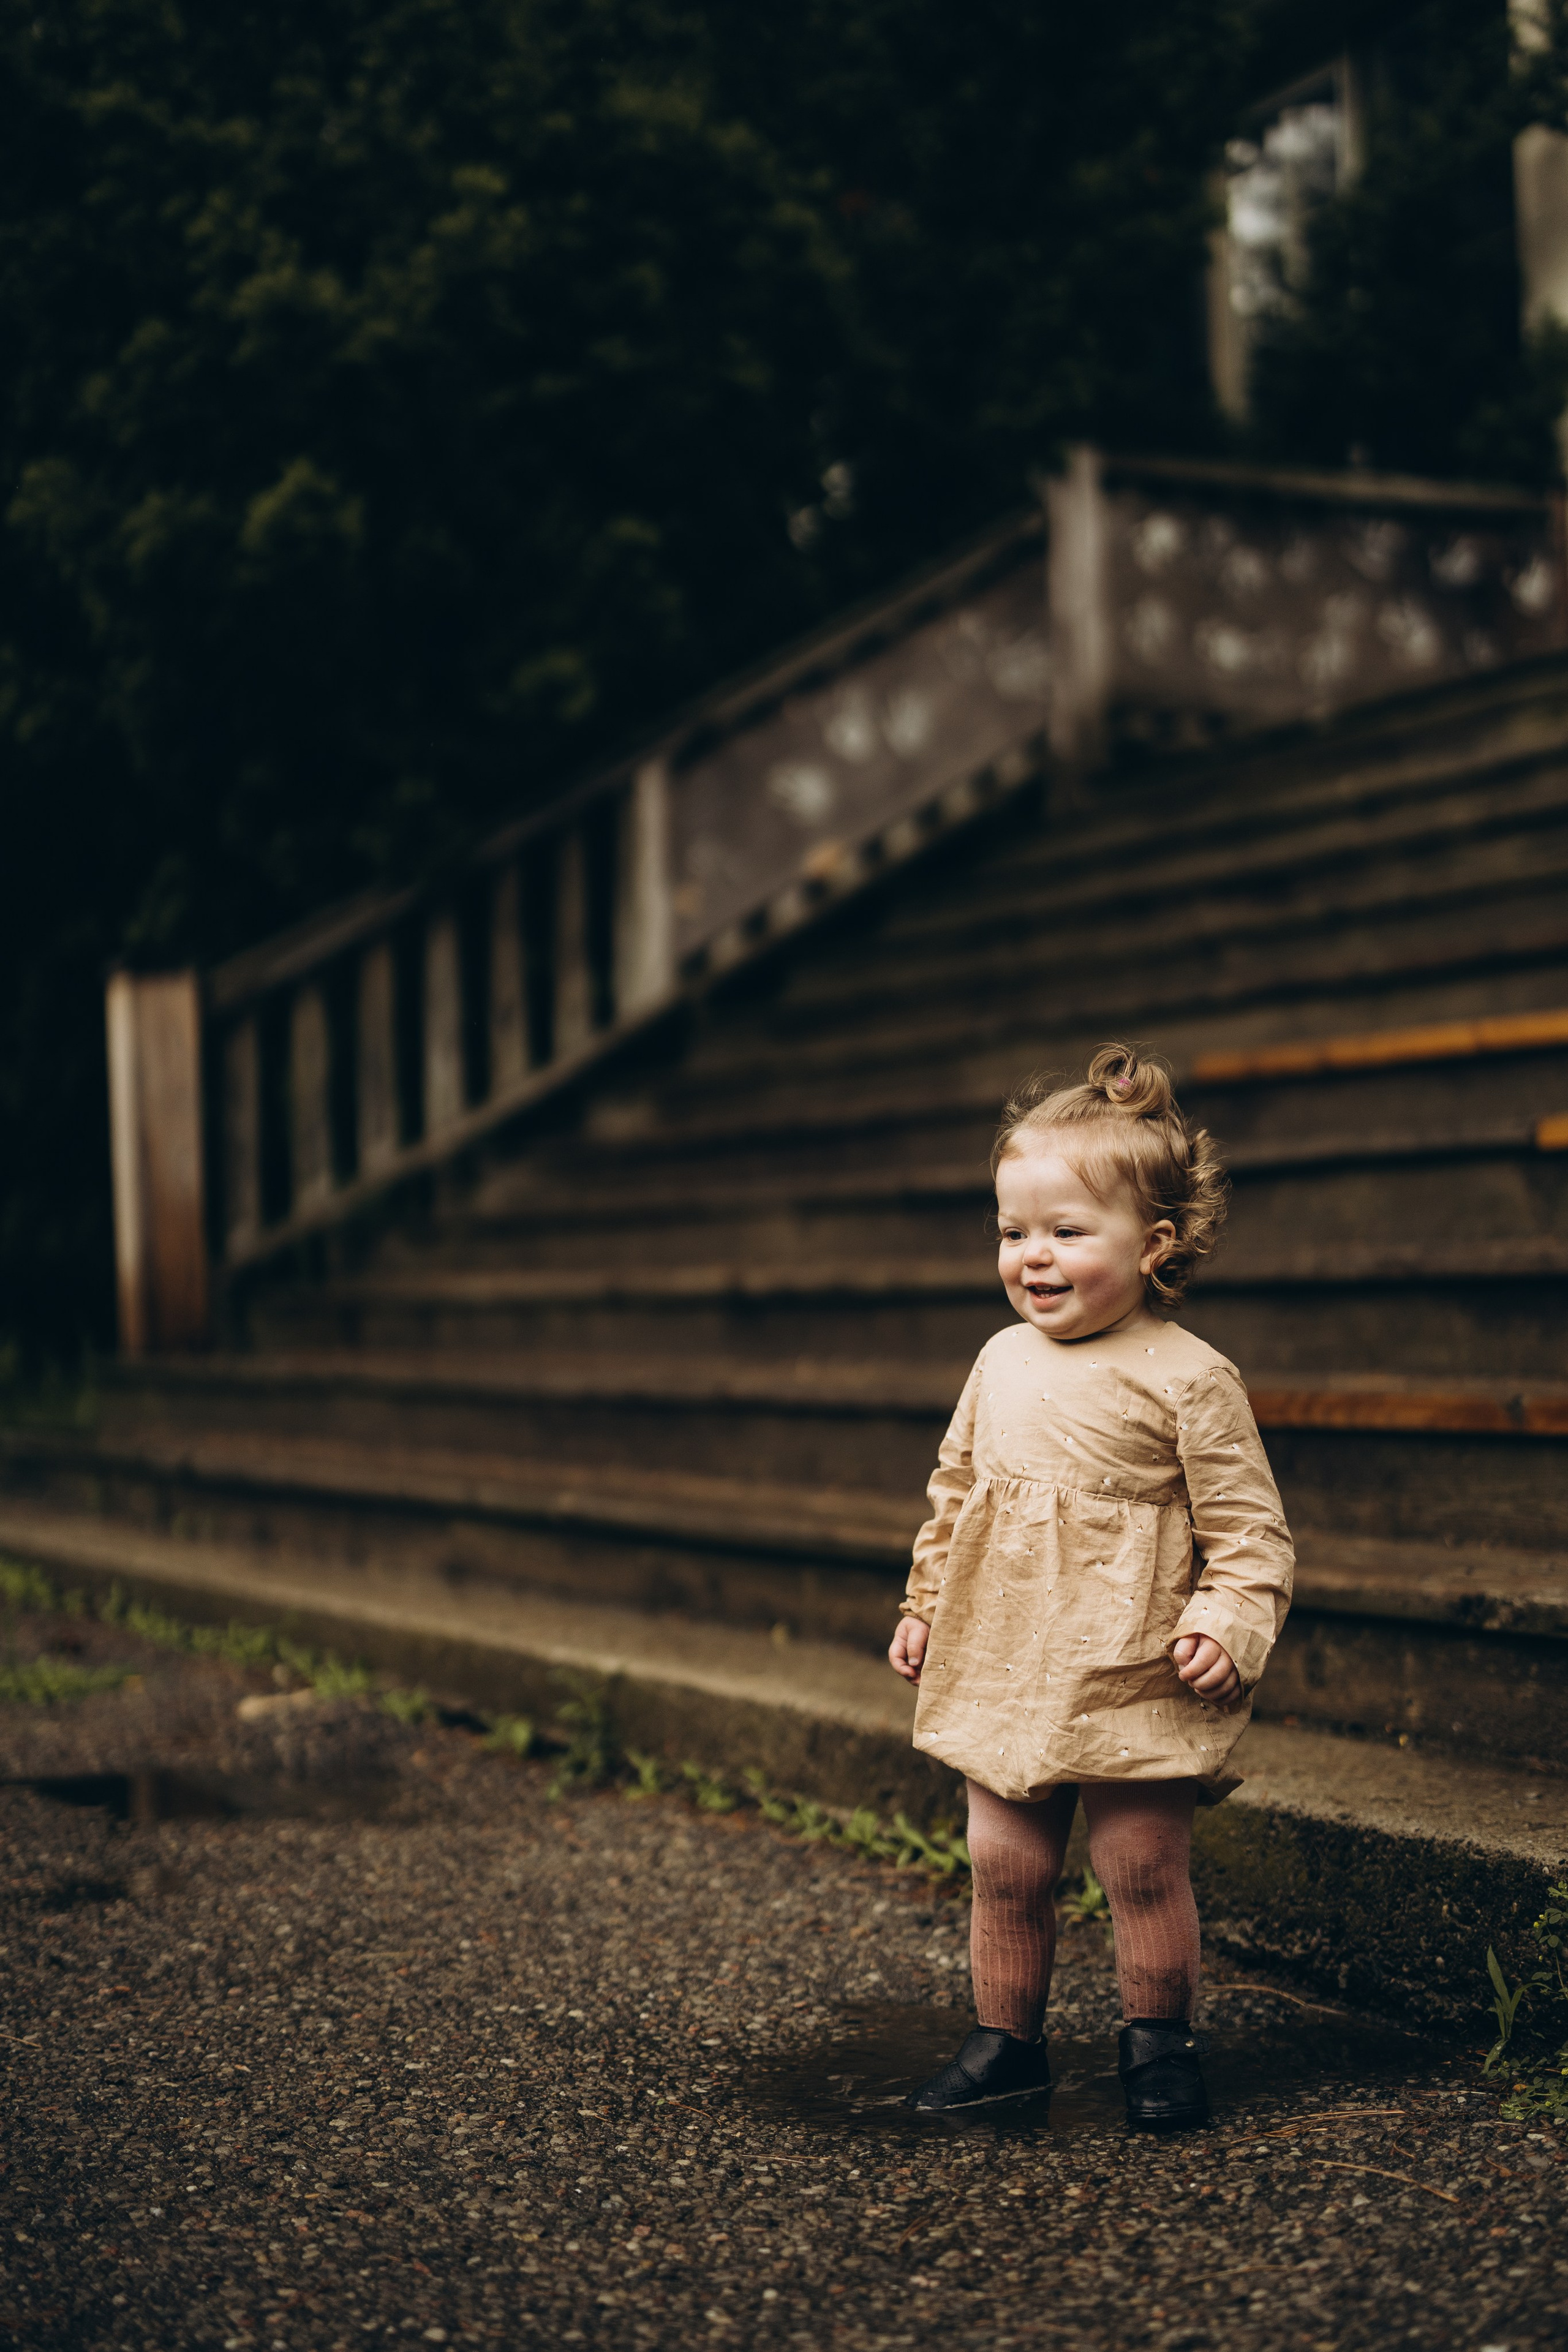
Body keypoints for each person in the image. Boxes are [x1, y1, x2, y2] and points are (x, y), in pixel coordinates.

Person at [888, 1043, 1294, 2128]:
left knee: (1142, 1867)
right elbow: (956, 1488)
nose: (1034, 1257)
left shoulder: (1193, 1377)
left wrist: (1227, 1622)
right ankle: (1004, 2043)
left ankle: (1158, 2049)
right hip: (1006, 1652)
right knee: (1005, 1866)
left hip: (1132, 1661)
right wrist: (926, 1601)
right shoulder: (1001, 1360)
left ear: (1155, 1245)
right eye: (1014, 1232)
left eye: (1068, 1231)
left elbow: (1251, 1535)